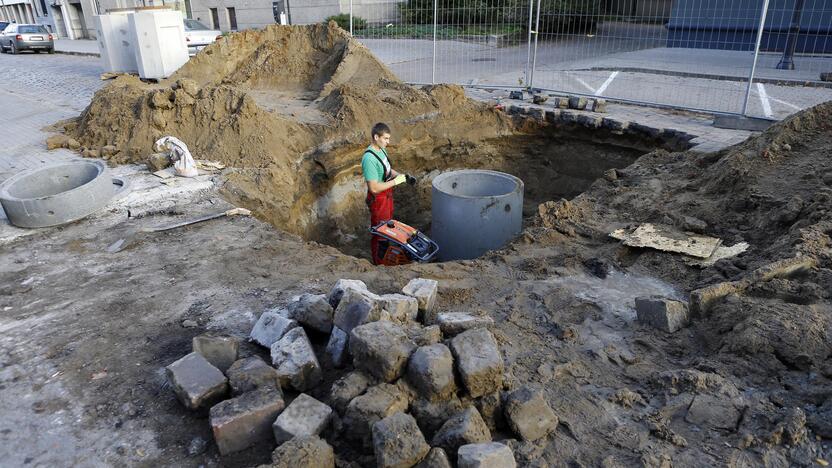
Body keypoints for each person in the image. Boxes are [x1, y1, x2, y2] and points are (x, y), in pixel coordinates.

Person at [361, 122, 412, 264]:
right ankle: (379, 263)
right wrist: (396, 182)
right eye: (386, 138)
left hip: (386, 195)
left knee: (387, 226)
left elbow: (387, 170)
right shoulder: (369, 159)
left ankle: (386, 254)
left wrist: (402, 176)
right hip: (379, 199)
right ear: (376, 137)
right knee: (380, 232)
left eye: (389, 138)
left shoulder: (381, 150)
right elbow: (374, 188)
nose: (388, 142)